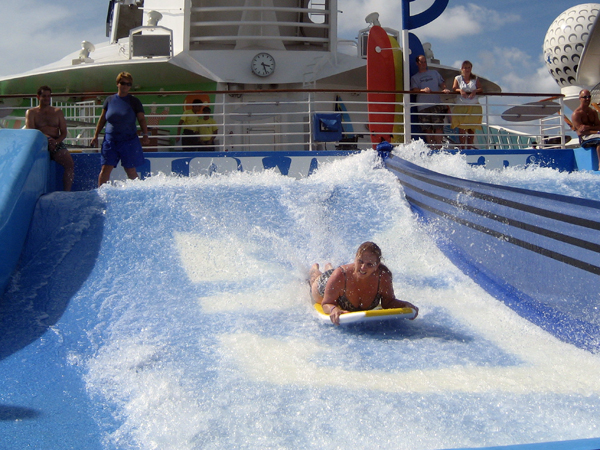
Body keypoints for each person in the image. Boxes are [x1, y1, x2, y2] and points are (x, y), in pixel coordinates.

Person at [308, 242, 419, 325]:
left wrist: (405, 304)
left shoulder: (383, 277)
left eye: (369, 264)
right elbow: (326, 303)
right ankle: (315, 268)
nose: (363, 267)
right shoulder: (340, 275)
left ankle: (329, 266)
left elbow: (388, 303)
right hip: (329, 282)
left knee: (331, 272)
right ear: (355, 257)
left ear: (377, 265)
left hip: (337, 282)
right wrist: (333, 309)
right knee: (315, 280)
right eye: (360, 261)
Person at [91, 72, 150, 186]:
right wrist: (96, 135)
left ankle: (138, 193)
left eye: (128, 84)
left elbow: (141, 119)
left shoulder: (134, 101)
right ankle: (101, 195)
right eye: (123, 83)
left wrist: (145, 134)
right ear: (117, 84)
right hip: (110, 140)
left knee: (130, 170)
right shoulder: (109, 100)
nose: (126, 86)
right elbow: (102, 118)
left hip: (128, 140)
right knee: (105, 169)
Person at [25, 85, 75, 191]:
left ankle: (67, 192)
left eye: (48, 96)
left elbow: (64, 132)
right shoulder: (31, 112)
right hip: (39, 143)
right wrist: (46, 139)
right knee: (27, 165)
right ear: (38, 97)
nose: (47, 98)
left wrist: (56, 142)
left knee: (69, 164)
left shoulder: (57, 112)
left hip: (55, 143)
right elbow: (31, 131)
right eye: (44, 96)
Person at [411, 55, 451, 148]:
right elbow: (414, 90)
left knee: (438, 126)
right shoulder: (415, 77)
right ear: (417, 63)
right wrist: (422, 90)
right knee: (427, 128)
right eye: (422, 62)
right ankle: (431, 146)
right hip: (423, 106)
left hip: (435, 104)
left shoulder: (434, 73)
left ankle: (439, 146)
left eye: (425, 62)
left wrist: (445, 89)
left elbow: (442, 83)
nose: (424, 64)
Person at [451, 60, 483, 149]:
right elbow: (454, 88)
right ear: (462, 69)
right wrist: (460, 90)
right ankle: (462, 147)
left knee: (471, 128)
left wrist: (474, 91)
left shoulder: (475, 78)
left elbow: (480, 88)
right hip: (461, 105)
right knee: (462, 127)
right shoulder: (458, 78)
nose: (467, 69)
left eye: (469, 67)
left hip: (473, 105)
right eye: (465, 67)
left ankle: (469, 147)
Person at [571, 89, 600, 171]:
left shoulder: (593, 112)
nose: (587, 99)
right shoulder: (576, 114)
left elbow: (599, 126)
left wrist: (589, 127)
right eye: (585, 97)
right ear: (580, 98)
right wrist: (596, 131)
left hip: (594, 135)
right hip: (584, 139)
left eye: (589, 97)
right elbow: (581, 132)